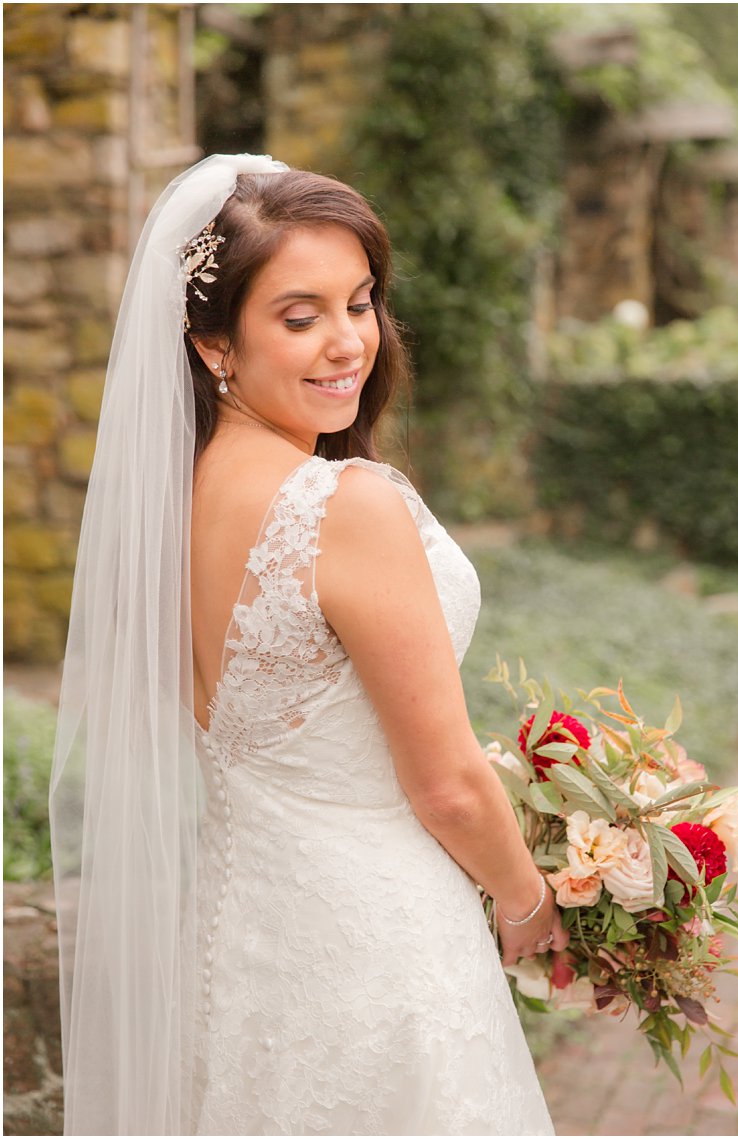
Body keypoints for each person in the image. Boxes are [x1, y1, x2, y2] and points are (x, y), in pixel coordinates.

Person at [49, 154, 560, 1134]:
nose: (347, 344)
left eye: (360, 303)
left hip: (242, 945)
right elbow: (446, 782)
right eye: (300, 316)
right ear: (212, 345)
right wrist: (532, 895)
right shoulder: (345, 505)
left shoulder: (173, 506)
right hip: (379, 946)